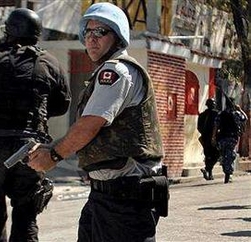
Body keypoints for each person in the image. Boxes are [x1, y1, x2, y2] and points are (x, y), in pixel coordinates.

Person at [28, 3, 167, 242]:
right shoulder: (105, 72)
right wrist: (50, 149)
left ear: (118, 36)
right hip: (106, 196)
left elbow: (90, 124)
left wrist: (53, 156)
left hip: (125, 198)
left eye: (101, 32)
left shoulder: (116, 72)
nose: (92, 39)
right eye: (88, 32)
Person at [0, 8, 71, 242]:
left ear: (9, 30)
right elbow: (62, 104)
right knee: (26, 214)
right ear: (37, 33)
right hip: (29, 148)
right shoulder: (50, 63)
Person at [213, 97, 247, 183]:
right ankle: (228, 173)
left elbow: (216, 126)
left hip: (222, 138)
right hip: (232, 138)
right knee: (230, 155)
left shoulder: (221, 114)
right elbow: (245, 118)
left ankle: (227, 172)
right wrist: (240, 109)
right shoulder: (237, 114)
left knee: (224, 155)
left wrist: (213, 137)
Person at [197, 98, 220, 180]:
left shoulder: (202, 115)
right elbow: (219, 126)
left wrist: (204, 134)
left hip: (205, 138)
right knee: (217, 154)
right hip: (214, 138)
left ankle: (209, 173)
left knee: (208, 155)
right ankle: (208, 170)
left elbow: (199, 128)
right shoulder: (217, 114)